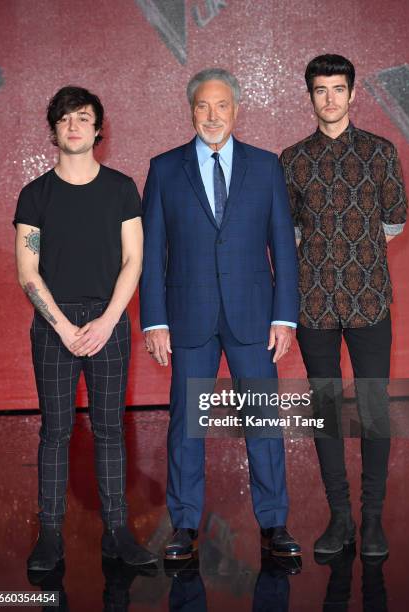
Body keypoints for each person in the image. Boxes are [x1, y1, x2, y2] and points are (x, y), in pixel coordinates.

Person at [140, 68, 301, 560]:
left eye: (222, 106)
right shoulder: (165, 169)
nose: (212, 116)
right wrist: (155, 320)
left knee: (264, 422)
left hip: (255, 317)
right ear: (192, 110)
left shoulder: (266, 166)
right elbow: (152, 252)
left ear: (236, 109)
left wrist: (285, 317)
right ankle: (184, 526)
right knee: (186, 425)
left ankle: (274, 524)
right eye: (203, 107)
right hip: (188, 318)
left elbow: (283, 248)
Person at [14, 86, 157, 570]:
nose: (73, 126)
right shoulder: (34, 195)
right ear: (53, 130)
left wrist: (107, 320)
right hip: (53, 327)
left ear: (98, 130)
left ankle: (118, 531)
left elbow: (134, 259)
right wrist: (61, 326)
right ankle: (49, 535)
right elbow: (28, 272)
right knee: (55, 432)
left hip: (109, 322)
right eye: (65, 119)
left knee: (109, 430)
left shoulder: (121, 188)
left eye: (83, 118)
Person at [280, 54, 408, 556]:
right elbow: (288, 233)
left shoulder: (381, 152)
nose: (330, 98)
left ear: (353, 94)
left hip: (370, 303)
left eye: (338, 89)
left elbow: (394, 222)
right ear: (309, 96)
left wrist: (356, 254)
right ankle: (340, 518)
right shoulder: (291, 160)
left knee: (374, 409)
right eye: (320, 90)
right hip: (313, 306)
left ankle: (373, 519)